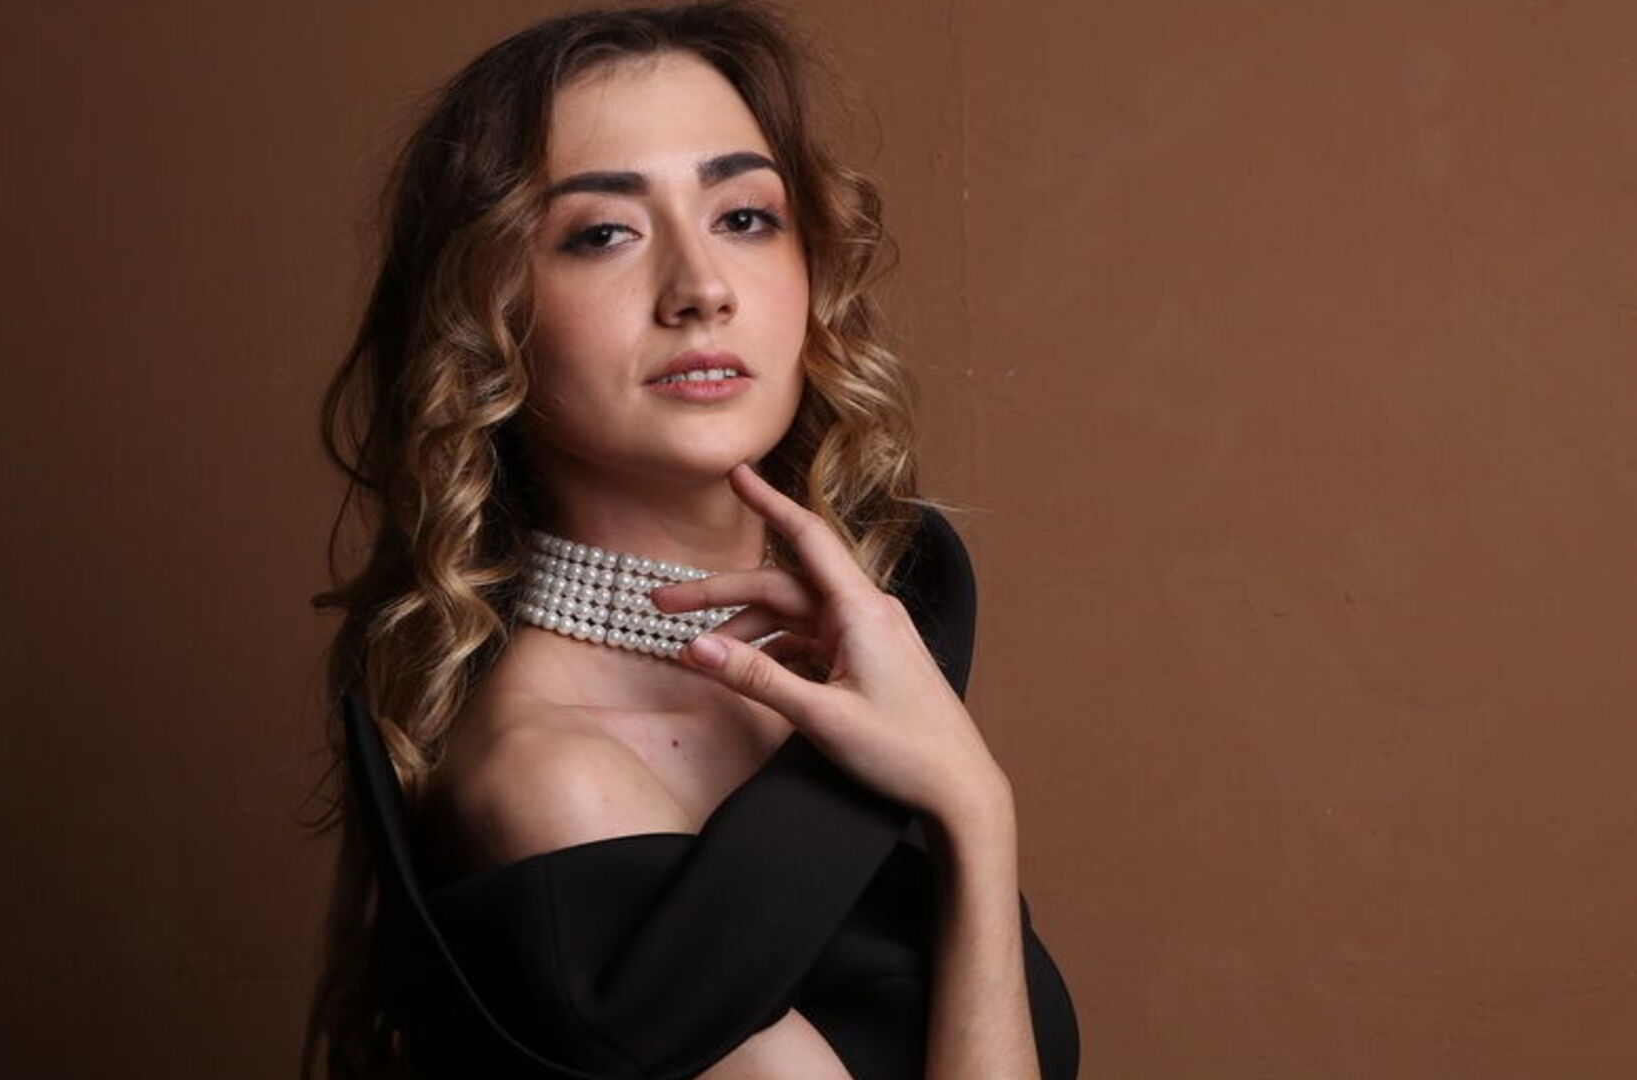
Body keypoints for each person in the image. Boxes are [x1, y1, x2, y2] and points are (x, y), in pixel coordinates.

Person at [302, 3, 1079, 1077]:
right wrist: (976, 812)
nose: (701, 289)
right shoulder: (554, 778)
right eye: (603, 234)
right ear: (487, 319)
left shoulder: (873, 634)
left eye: (744, 216)